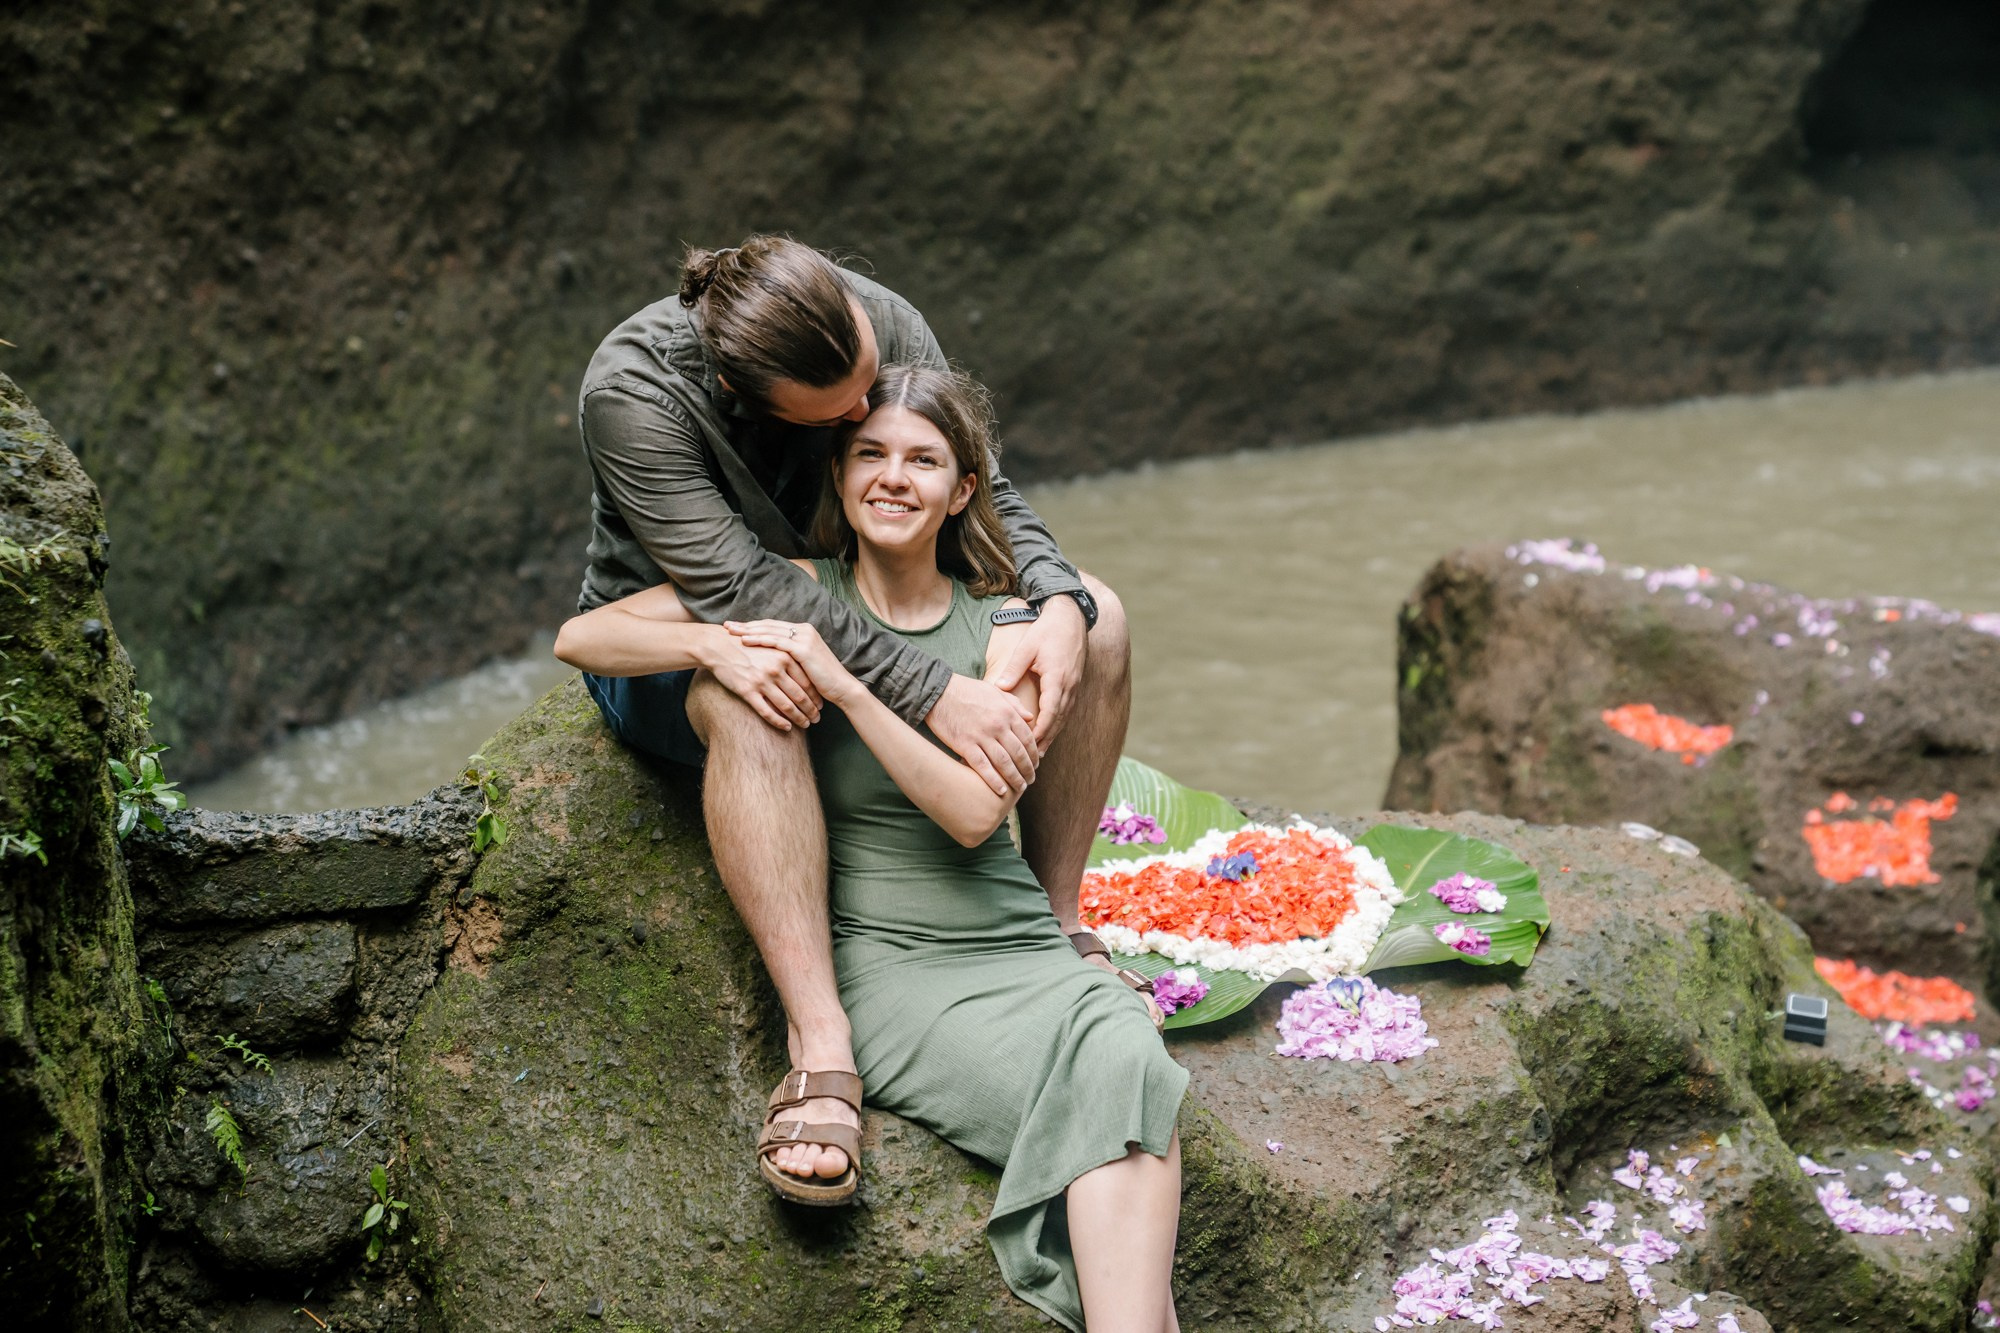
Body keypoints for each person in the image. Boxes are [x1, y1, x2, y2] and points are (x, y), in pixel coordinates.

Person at [556, 365, 1186, 1333]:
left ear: (962, 490)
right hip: (890, 963)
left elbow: (975, 812)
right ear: (840, 477)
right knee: (1118, 1097)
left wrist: (846, 682)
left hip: (1015, 945)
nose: (893, 478)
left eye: (923, 459)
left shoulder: (1009, 623)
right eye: (869, 455)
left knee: (1126, 1059)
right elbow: (583, 635)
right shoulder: (791, 588)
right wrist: (716, 647)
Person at [569, 235, 1138, 1200]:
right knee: (759, 694)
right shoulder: (633, 395)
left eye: (875, 383)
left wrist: (1055, 603)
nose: (874, 418)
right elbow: (740, 586)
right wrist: (932, 690)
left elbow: (985, 485)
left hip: (874, 613)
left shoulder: (874, 320)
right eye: (848, 423)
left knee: (1099, 614)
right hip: (690, 635)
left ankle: (1056, 919)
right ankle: (820, 1038)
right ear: (748, 403)